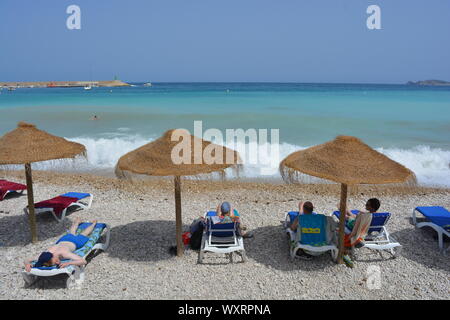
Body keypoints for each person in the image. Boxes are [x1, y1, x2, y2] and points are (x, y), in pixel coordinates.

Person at [24, 217, 97, 272]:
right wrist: (27, 264)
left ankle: (93, 224)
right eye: (55, 263)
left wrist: (68, 263)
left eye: (55, 261)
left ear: (52, 256)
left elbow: (83, 261)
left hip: (75, 242)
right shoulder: (44, 255)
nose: (57, 262)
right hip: (62, 240)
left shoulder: (64, 253)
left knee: (84, 233)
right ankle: (77, 222)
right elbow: (26, 259)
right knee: (71, 233)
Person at [340, 198, 379, 268]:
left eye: (367, 204)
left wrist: (349, 237)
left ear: (372, 208)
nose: (365, 205)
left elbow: (355, 230)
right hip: (364, 232)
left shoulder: (362, 216)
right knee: (352, 216)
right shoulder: (374, 215)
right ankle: (346, 209)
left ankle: (344, 210)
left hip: (355, 229)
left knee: (347, 218)